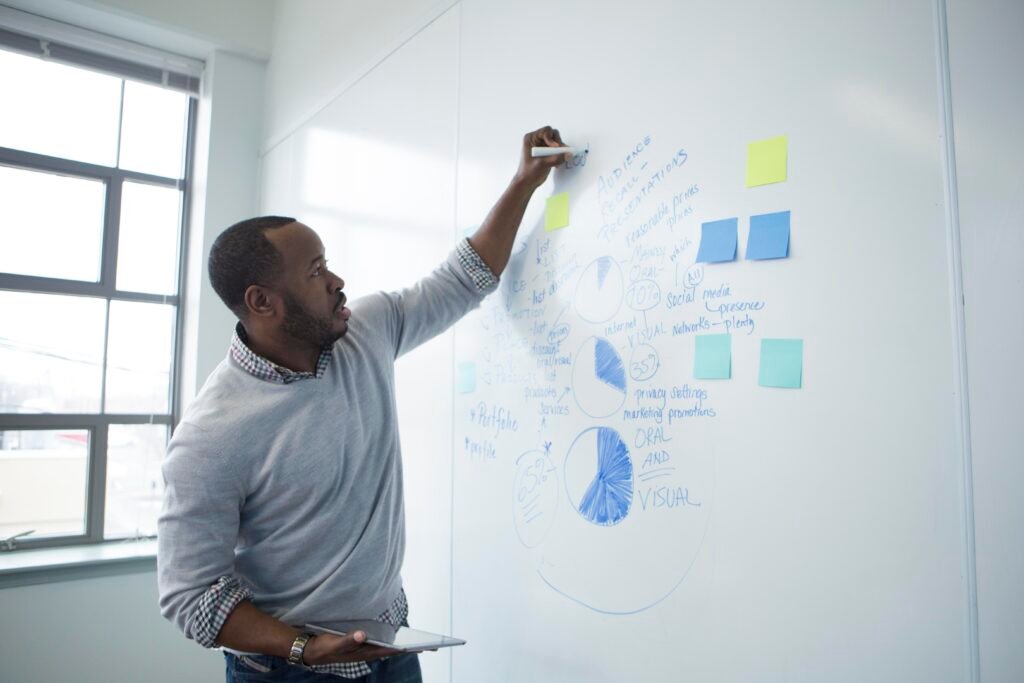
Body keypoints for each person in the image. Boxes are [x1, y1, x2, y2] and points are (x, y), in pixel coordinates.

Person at [158, 127, 568, 681]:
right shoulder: (211, 436)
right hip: (288, 670)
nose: (337, 281)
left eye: (328, 263)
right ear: (261, 302)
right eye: (315, 272)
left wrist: (523, 183)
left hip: (388, 649)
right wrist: (306, 647)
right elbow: (192, 597)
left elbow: (464, 280)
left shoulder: (363, 333)